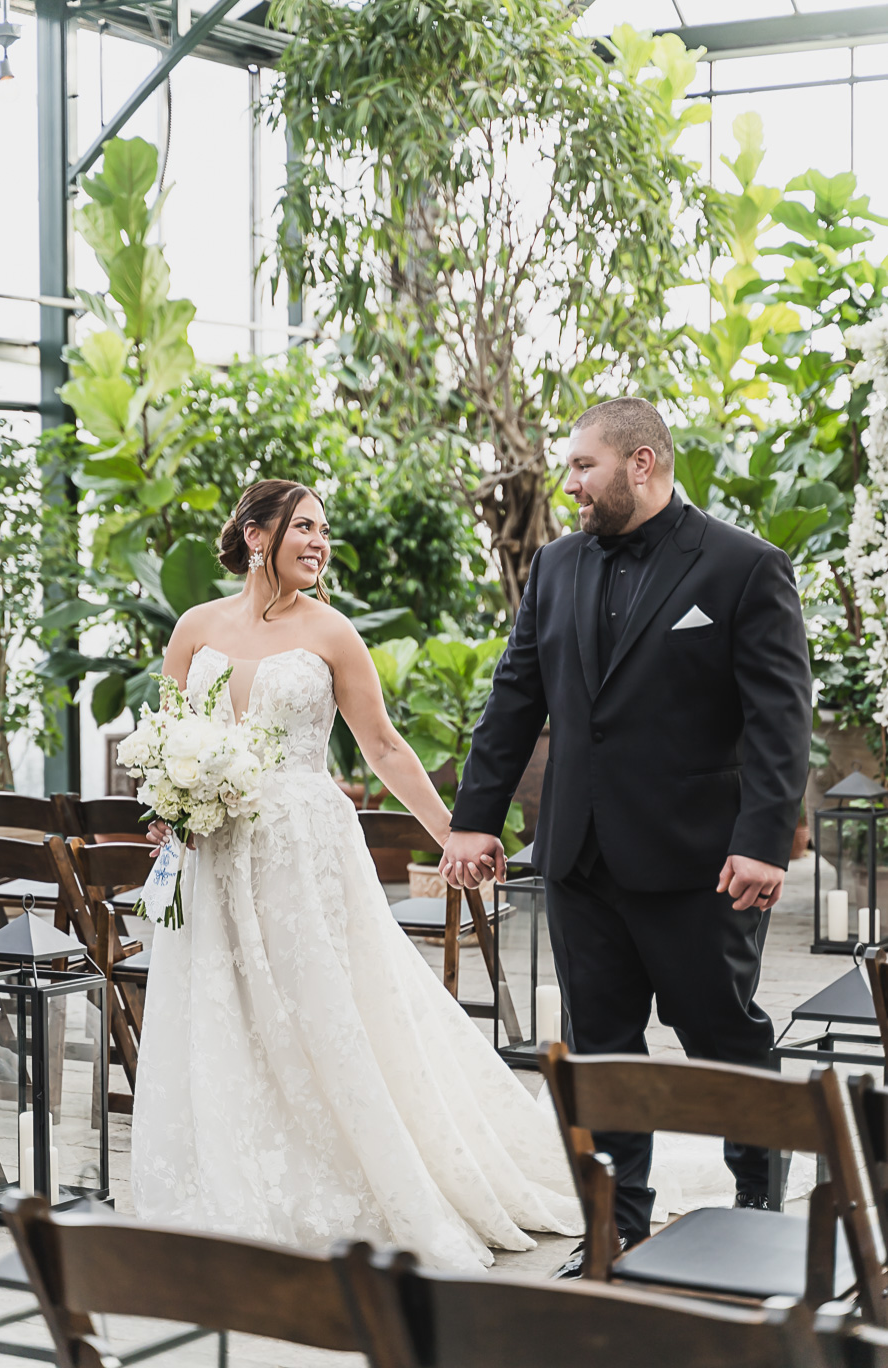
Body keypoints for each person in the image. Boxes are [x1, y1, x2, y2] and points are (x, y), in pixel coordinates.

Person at [132, 477, 581, 1271]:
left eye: (323, 530)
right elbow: (168, 733)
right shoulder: (195, 627)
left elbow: (382, 747)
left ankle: (375, 1176)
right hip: (213, 856)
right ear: (258, 535)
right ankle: (238, 1181)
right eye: (303, 527)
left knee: (324, 1013)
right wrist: (170, 802)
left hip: (302, 856)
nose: (318, 542)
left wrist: (455, 834)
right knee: (225, 1012)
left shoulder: (333, 632)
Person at [441, 398, 812, 1277]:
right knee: (601, 1052)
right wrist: (472, 822)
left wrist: (765, 839)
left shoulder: (743, 568)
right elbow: (513, 701)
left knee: (725, 1040)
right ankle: (616, 1225)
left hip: (699, 865)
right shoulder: (558, 566)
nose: (568, 484)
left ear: (641, 463)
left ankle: (758, 1211)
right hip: (577, 860)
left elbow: (778, 719)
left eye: (582, 467)